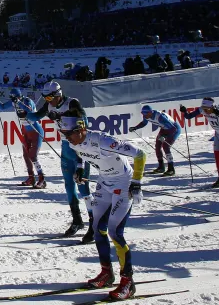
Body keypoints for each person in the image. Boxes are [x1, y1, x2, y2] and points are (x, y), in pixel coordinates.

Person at [62, 117, 146, 301]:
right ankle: (107, 273)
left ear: (80, 129)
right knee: (97, 229)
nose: (66, 137)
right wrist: (79, 170)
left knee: (115, 232)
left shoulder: (104, 141)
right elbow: (80, 155)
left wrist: (137, 183)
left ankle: (128, 282)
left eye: (68, 133)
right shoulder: (75, 143)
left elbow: (140, 155)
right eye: (63, 134)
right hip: (104, 183)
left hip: (123, 184)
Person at [27, 80, 94, 242]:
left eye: (50, 98)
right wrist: (23, 112)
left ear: (58, 94)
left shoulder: (72, 103)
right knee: (69, 186)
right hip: (66, 148)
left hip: (79, 147)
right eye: (45, 98)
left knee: (83, 187)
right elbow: (35, 116)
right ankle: (77, 220)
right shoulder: (50, 105)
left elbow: (85, 123)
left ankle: (94, 223)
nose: (48, 101)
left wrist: (61, 116)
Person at [181, 98, 219, 190]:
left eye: (207, 108)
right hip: (218, 135)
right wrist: (184, 112)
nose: (205, 110)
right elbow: (189, 116)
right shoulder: (201, 109)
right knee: (217, 157)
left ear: (212, 107)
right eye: (203, 108)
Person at [0, 88, 46, 188]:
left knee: (33, 155)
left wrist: (18, 102)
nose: (13, 99)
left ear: (19, 96)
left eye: (14, 97)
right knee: (26, 155)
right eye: (12, 98)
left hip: (35, 129)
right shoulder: (13, 102)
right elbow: (2, 107)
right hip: (25, 130)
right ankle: (31, 178)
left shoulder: (27, 100)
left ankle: (42, 179)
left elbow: (30, 110)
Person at [130, 105, 181, 176]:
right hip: (164, 129)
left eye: (146, 114)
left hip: (174, 129)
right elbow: (144, 123)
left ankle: (171, 169)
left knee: (165, 146)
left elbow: (173, 128)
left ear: (150, 112)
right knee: (157, 146)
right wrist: (135, 128)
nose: (144, 115)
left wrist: (166, 137)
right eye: (142, 113)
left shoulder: (160, 117)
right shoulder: (146, 116)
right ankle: (161, 167)